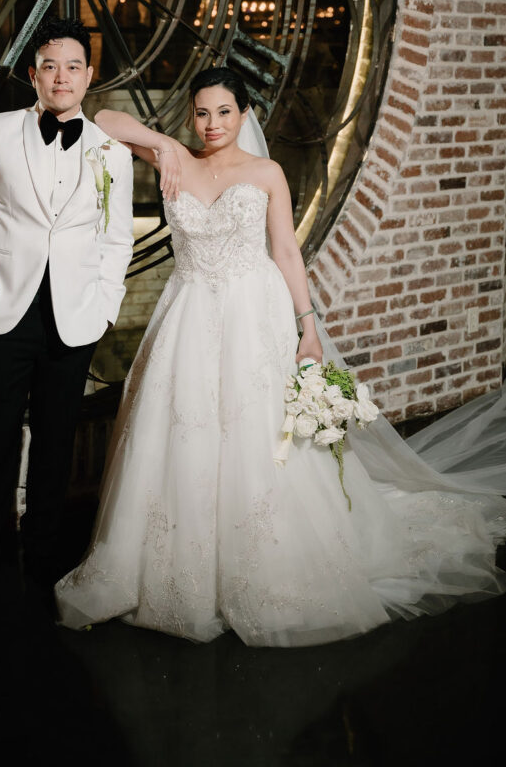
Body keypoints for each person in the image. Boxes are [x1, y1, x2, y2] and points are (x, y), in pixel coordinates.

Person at [55, 66, 506, 647]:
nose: (212, 124)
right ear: (189, 116)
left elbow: (287, 252)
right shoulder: (176, 160)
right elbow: (103, 119)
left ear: (245, 115)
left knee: (256, 434)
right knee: (183, 432)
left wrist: (308, 328)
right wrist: (164, 144)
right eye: (201, 113)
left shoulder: (266, 172)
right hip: (188, 313)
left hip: (252, 312)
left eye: (224, 112)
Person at [0, 16, 134, 617]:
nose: (62, 76)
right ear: (33, 73)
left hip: (75, 318)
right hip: (4, 312)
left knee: (56, 445)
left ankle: (46, 561)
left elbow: (116, 239)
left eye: (73, 66)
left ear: (89, 75)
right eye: (50, 65)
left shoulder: (111, 151)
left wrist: (105, 309)